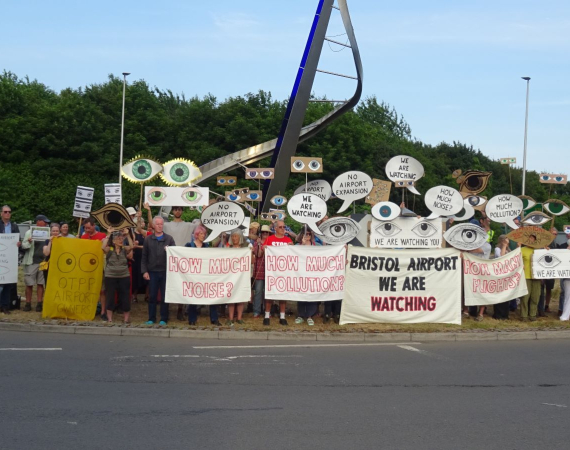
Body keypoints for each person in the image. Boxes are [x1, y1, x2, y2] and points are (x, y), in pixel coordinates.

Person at [164, 206, 196, 321]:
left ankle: (180, 310)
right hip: (171, 259)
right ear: (172, 211)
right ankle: (165, 310)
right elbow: (153, 225)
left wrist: (204, 210)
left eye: (180, 209)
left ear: (182, 211)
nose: (178, 211)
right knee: (168, 284)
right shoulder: (166, 225)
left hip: (183, 259)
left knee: (183, 285)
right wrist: (147, 210)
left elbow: (202, 226)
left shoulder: (188, 225)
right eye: (176, 209)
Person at [185, 224, 221, 326]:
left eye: (204, 234)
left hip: (205, 276)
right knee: (193, 297)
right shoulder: (189, 246)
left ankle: (214, 319)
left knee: (211, 296)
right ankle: (192, 319)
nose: (203, 236)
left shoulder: (206, 246)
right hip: (193, 276)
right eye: (201, 233)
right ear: (196, 234)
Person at [142, 216, 175, 325]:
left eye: (161, 224)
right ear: (154, 226)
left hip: (165, 272)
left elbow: (175, 255)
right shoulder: (148, 239)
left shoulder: (169, 239)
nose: (160, 226)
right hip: (152, 272)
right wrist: (144, 271)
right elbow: (144, 257)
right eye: (158, 224)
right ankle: (151, 318)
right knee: (152, 296)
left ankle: (164, 318)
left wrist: (170, 251)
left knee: (165, 296)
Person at [263, 220, 293, 326]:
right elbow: (262, 251)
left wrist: (291, 247)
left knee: (283, 294)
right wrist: (264, 248)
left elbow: (294, 254)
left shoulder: (288, 239)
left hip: (284, 272)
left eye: (284, 227)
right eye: (280, 227)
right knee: (270, 293)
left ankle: (282, 316)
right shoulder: (269, 239)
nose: (283, 229)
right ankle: (267, 316)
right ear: (275, 228)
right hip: (272, 271)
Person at [102, 228, 133, 323]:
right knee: (110, 297)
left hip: (124, 276)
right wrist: (108, 234)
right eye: (119, 239)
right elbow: (103, 247)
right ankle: (110, 319)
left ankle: (126, 319)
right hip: (110, 277)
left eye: (121, 239)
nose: (121, 240)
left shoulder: (124, 249)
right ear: (114, 241)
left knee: (125, 297)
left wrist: (127, 235)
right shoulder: (110, 249)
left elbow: (131, 246)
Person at [21, 214, 50, 312]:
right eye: (44, 221)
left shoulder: (48, 232)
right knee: (29, 284)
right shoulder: (29, 232)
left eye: (46, 222)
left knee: (40, 284)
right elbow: (23, 246)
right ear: (38, 221)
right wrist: (29, 242)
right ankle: (28, 303)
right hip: (31, 262)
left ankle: (39, 303)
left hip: (43, 262)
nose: (46, 223)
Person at [81, 217, 108, 320]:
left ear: (93, 226)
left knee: (102, 290)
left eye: (88, 228)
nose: (87, 230)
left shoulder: (102, 236)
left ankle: (103, 311)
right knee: (88, 289)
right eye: (85, 228)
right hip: (87, 267)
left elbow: (105, 250)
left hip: (99, 266)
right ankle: (91, 308)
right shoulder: (83, 237)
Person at [224, 229, 250, 326]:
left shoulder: (246, 248)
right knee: (231, 296)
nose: (234, 238)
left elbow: (251, 261)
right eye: (233, 236)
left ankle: (239, 317)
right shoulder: (228, 247)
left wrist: (251, 252)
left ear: (240, 238)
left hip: (242, 276)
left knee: (240, 296)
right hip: (230, 276)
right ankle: (231, 318)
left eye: (236, 236)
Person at [294, 227, 318, 326]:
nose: (307, 236)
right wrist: (302, 246)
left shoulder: (317, 246)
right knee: (301, 294)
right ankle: (301, 314)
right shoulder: (297, 245)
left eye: (309, 234)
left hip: (313, 274)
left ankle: (309, 316)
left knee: (311, 295)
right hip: (301, 274)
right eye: (305, 234)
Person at [0, 205, 21, 315]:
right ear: (1, 213)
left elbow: (19, 240)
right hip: (1, 257)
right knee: (0, 284)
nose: (7, 213)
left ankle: (5, 306)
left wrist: (18, 243)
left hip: (10, 258)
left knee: (8, 283)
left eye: (9, 212)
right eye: (5, 212)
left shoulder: (14, 226)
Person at [252, 225, 271, 318]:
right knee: (258, 291)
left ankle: (267, 311)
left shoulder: (271, 242)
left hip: (270, 270)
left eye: (266, 232)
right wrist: (260, 245)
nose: (265, 234)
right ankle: (256, 311)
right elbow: (258, 254)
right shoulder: (256, 243)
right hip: (260, 270)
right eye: (263, 232)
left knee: (268, 292)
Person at [520, 237, 541, 321]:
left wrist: (548, 250)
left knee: (535, 296)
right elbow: (516, 261)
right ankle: (524, 315)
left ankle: (532, 314)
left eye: (533, 239)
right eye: (530, 239)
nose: (531, 241)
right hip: (526, 276)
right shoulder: (522, 250)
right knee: (525, 297)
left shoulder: (539, 250)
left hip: (536, 276)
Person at [492, 234, 511, 320]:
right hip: (499, 274)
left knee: (506, 295)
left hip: (507, 275)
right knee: (499, 294)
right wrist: (504, 246)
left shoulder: (509, 250)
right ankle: (498, 314)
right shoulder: (497, 249)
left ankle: (505, 314)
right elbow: (501, 258)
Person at [41, 222, 61, 289]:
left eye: (57, 231)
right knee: (48, 283)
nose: (55, 232)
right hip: (49, 265)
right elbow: (46, 253)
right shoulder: (47, 241)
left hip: (59, 265)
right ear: (51, 232)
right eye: (53, 231)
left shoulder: (63, 240)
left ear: (59, 231)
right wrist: (50, 242)